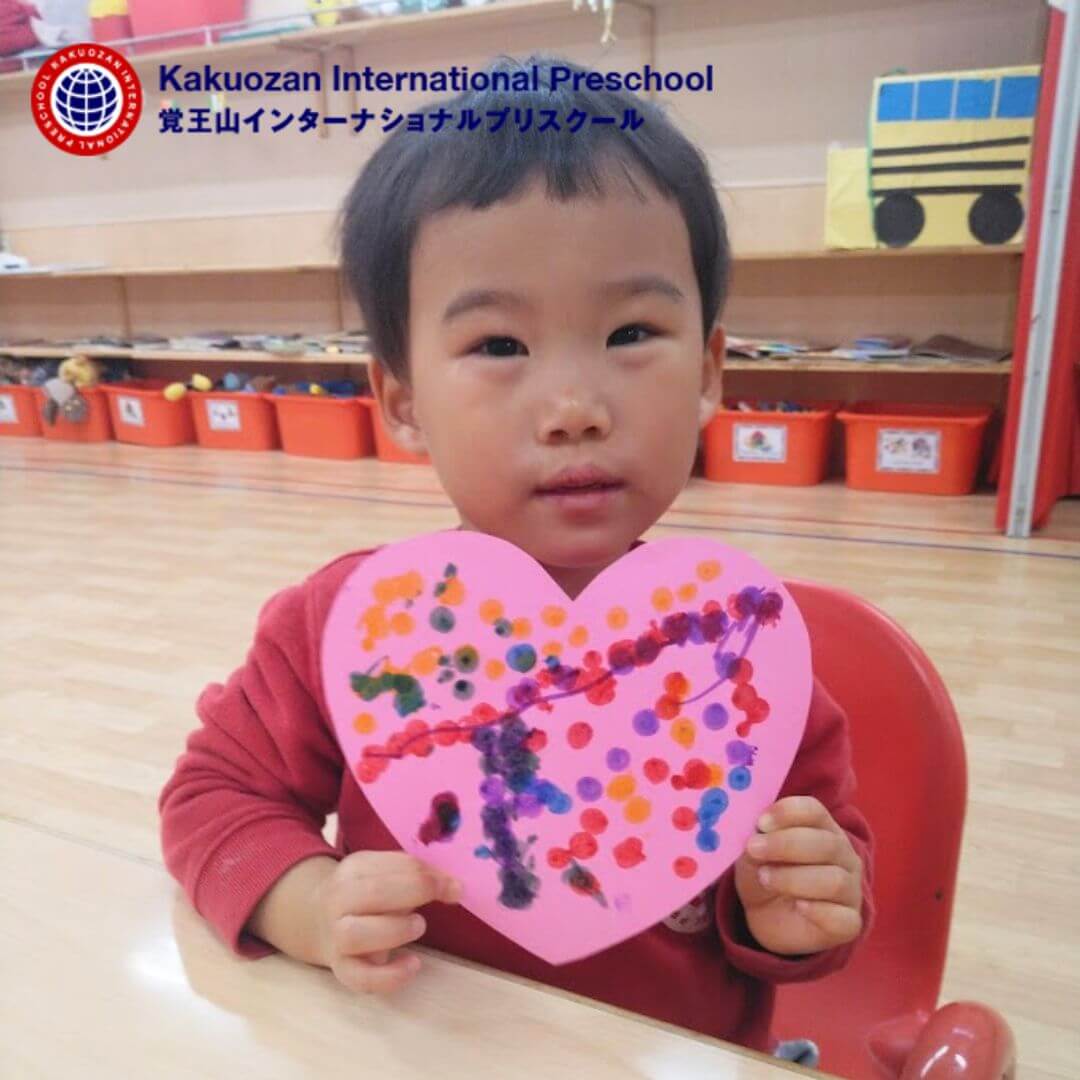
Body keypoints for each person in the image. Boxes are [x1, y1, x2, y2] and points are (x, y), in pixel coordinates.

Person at [160, 54, 873, 1059]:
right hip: (413, 1048)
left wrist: (790, 915)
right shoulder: (345, 630)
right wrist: (308, 904)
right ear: (404, 399)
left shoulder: (745, 659)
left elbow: (823, 893)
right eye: (500, 346)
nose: (574, 408)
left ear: (710, 371)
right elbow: (212, 799)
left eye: (632, 331)